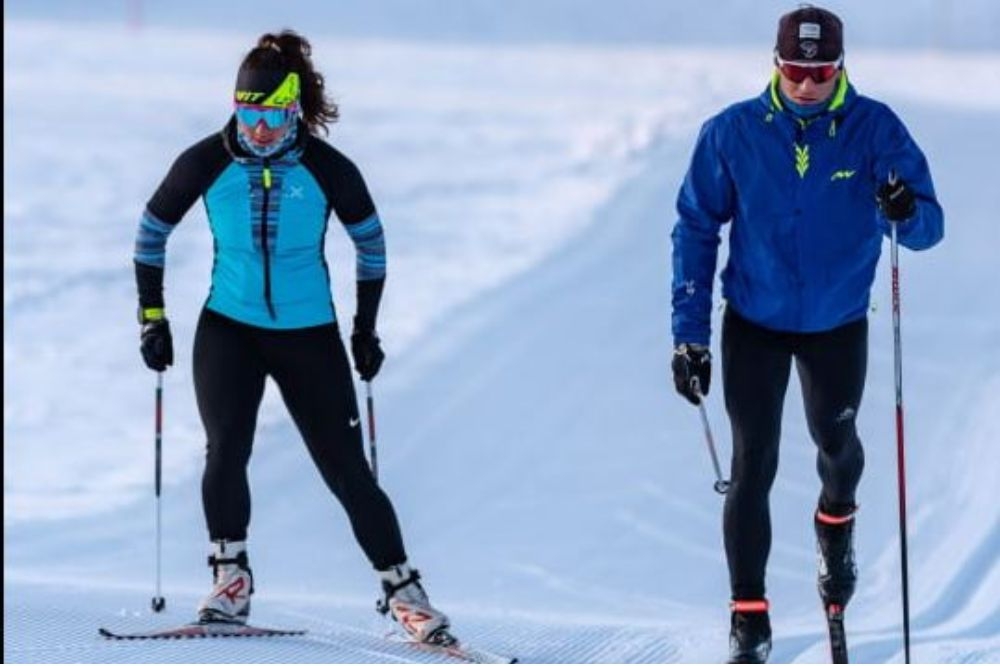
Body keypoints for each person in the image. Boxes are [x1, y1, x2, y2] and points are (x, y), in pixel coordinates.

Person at [133, 30, 450, 643]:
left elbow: (373, 247)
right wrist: (153, 319)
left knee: (346, 470)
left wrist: (365, 328)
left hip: (309, 334)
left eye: (270, 114)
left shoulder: (328, 169)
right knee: (226, 449)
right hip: (228, 328)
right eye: (246, 113)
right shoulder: (206, 160)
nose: (256, 129)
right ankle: (230, 581)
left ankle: (406, 595)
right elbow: (150, 233)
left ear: (294, 108)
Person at [669, 5, 943, 663]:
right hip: (755, 323)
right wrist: (690, 335)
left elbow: (929, 229)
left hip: (835, 323)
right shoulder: (732, 132)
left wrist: (904, 212)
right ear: (776, 63)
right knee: (751, 464)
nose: (807, 84)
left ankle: (835, 523)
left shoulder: (875, 129)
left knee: (838, 445)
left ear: (840, 68)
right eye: (795, 69)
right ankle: (749, 617)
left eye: (820, 71)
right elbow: (696, 229)